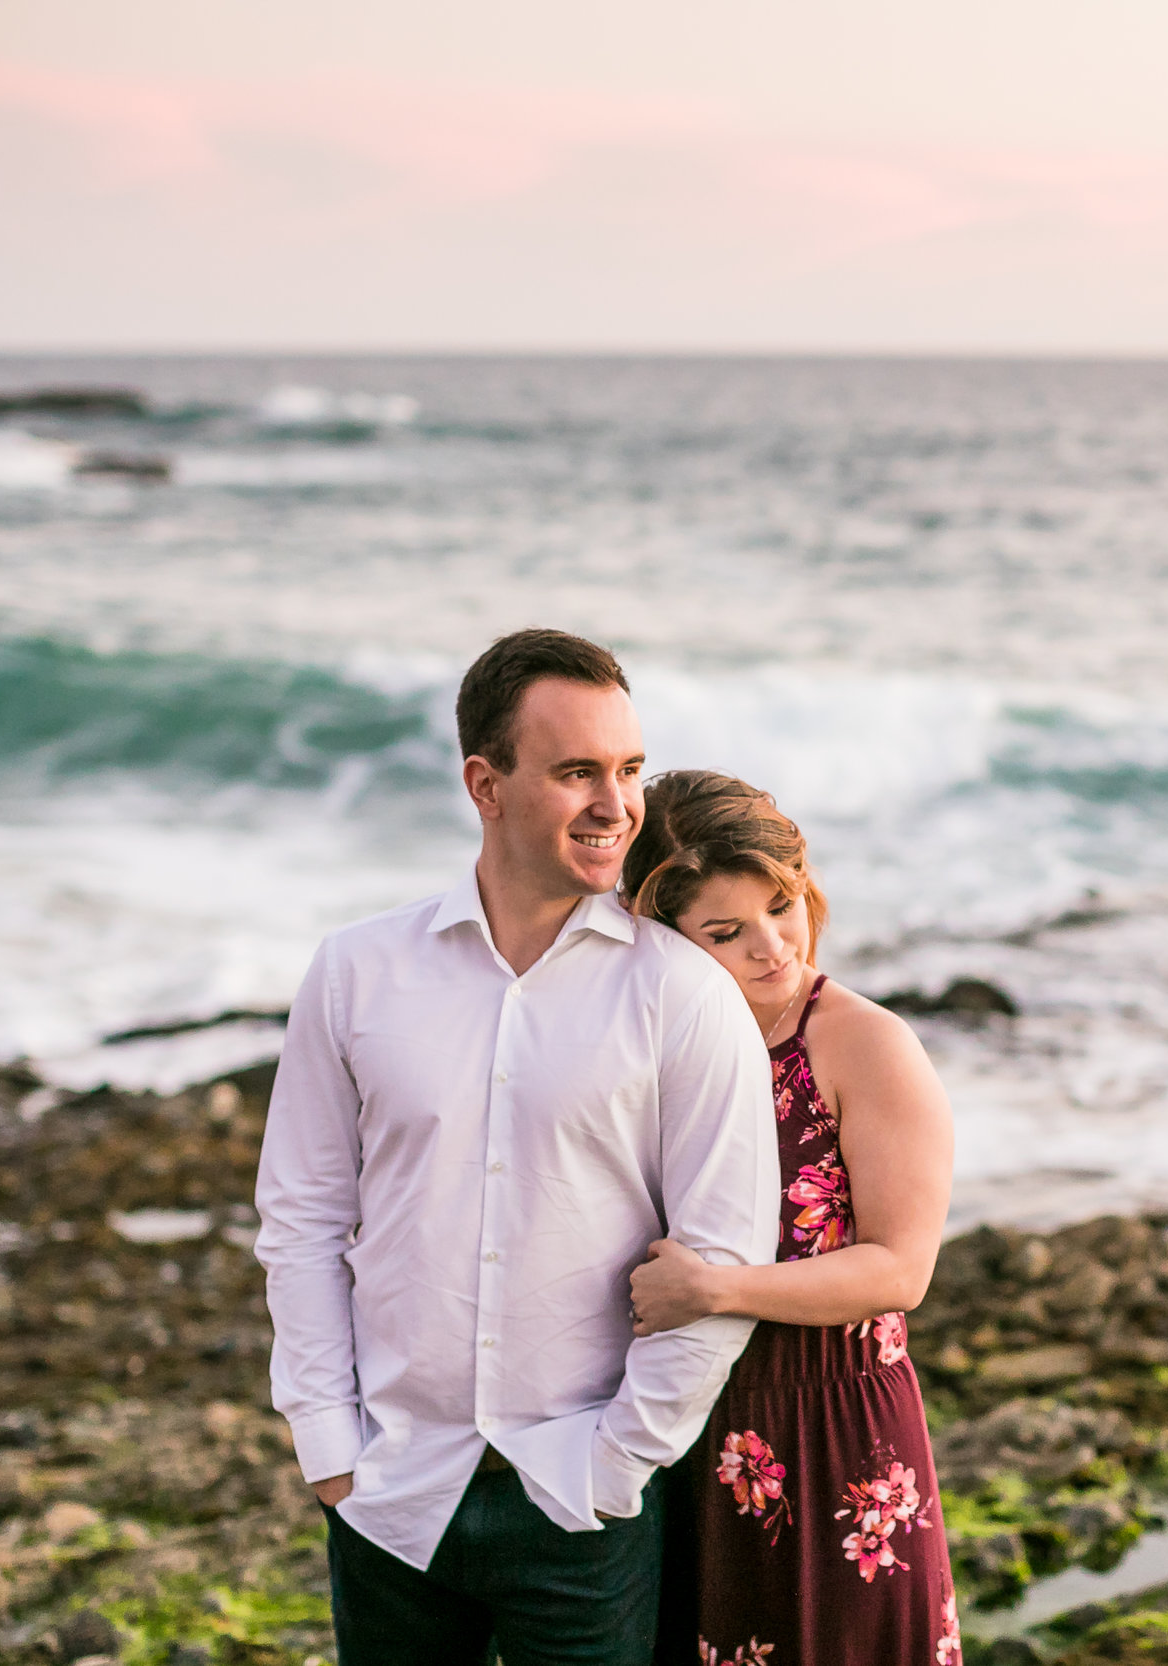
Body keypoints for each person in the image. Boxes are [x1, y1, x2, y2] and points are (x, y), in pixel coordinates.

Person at [256, 631, 779, 1666]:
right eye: (575, 770)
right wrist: (329, 1444)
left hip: (581, 1507)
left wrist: (617, 1464)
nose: (615, 804)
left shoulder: (681, 993)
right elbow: (302, 1217)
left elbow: (721, 1252)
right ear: (484, 784)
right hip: (390, 1496)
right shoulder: (355, 972)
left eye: (627, 770)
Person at [619, 771, 961, 1666]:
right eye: (725, 933)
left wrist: (716, 1290)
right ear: (661, 941)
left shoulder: (863, 1043)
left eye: (783, 907)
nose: (775, 948)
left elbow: (901, 1269)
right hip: (676, 1434)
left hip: (832, 1435)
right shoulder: (648, 1049)